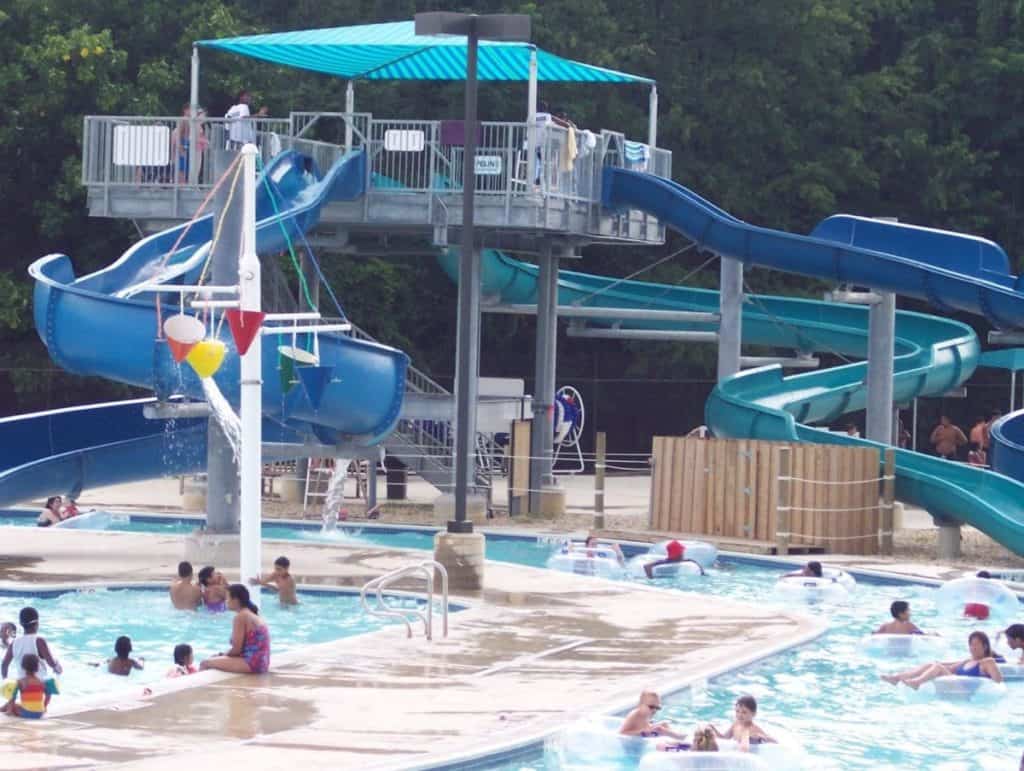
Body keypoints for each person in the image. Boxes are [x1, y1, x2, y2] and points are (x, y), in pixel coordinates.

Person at [882, 631, 1003, 689]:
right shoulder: (967, 661)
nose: (973, 647)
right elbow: (950, 667)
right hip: (956, 687)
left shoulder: (988, 662)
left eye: (976, 644)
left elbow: (998, 682)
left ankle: (917, 683)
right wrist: (934, 663)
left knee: (938, 667)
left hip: (966, 690)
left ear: (985, 646)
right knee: (933, 664)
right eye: (971, 644)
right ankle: (896, 678)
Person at [200, 584, 270, 675]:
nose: (226, 601)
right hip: (262, 662)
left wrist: (222, 655)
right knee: (215, 658)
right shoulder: (251, 614)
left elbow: (237, 650)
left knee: (205, 663)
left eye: (228, 598)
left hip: (252, 663)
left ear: (235, 600)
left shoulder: (240, 617)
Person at [1, 607, 61, 680]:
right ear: (37, 623)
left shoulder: (14, 643)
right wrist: (57, 666)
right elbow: (51, 663)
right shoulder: (39, 641)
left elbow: (4, 665)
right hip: (40, 685)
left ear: (21, 624)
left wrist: (6, 681)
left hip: (22, 685)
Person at [708, 695, 775, 753]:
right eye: (737, 711)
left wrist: (762, 737)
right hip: (738, 753)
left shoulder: (754, 729)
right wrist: (713, 729)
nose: (739, 715)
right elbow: (725, 737)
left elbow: (775, 742)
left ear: (754, 714)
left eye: (744, 712)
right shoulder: (736, 724)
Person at [1, 654, 55, 719]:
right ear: (37, 667)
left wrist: (9, 711)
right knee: (19, 705)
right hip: (40, 713)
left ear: (23, 667)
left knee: (7, 705)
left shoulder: (21, 682)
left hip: (26, 713)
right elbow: (48, 696)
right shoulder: (42, 682)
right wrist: (44, 707)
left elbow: (13, 697)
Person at [619, 690, 687, 739]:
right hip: (633, 745)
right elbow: (621, 733)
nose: (654, 710)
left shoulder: (646, 714)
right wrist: (642, 732)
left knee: (664, 724)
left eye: (657, 708)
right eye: (651, 707)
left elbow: (646, 727)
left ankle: (672, 739)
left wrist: (649, 729)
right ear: (640, 705)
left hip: (643, 738)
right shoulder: (634, 715)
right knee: (659, 729)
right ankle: (678, 737)